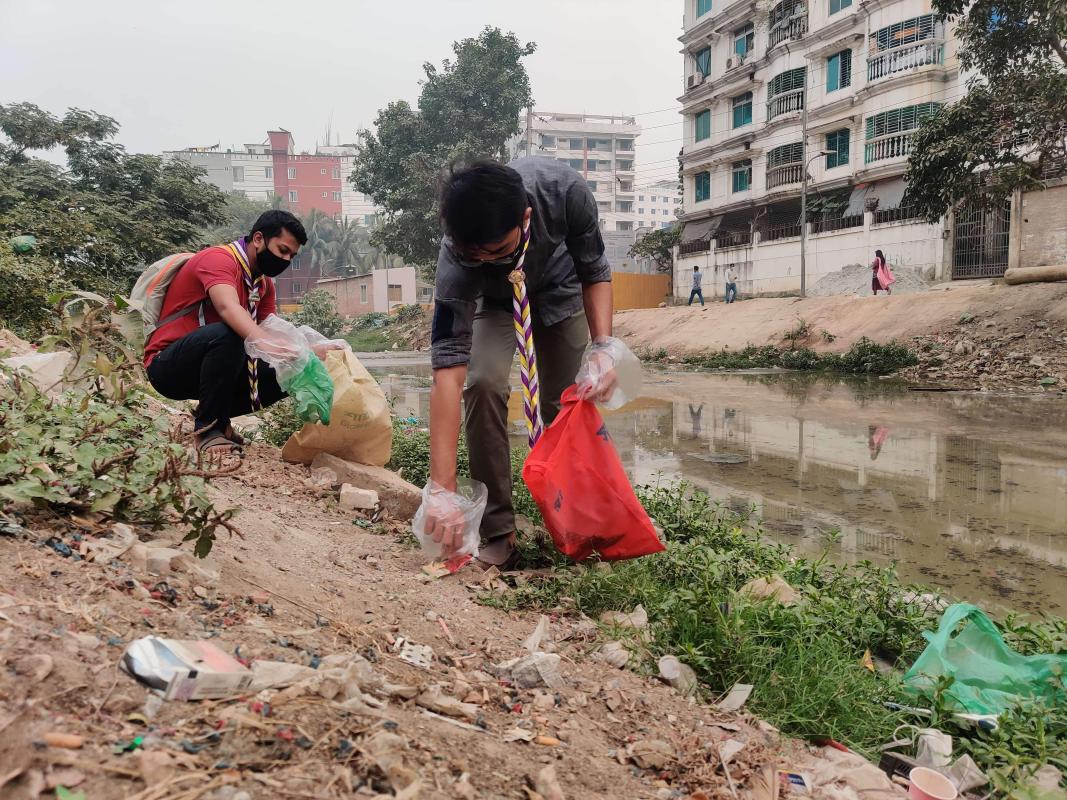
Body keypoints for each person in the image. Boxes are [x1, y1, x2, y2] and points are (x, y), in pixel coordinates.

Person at [425, 158, 617, 568]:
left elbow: (595, 270)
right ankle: (498, 530)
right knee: (482, 382)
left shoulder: (566, 193)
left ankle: (577, 527)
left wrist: (604, 347)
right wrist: (440, 488)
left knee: (567, 403)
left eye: (496, 250)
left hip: (560, 292)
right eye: (474, 254)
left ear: (525, 216)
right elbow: (447, 367)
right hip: (493, 304)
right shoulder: (457, 257)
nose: (485, 258)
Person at [144, 210, 334, 454]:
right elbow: (228, 307)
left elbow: (271, 331)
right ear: (258, 239)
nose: (285, 261)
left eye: (292, 256)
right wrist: (266, 343)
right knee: (230, 333)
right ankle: (208, 430)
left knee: (290, 368)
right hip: (167, 367)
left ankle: (221, 421)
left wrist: (307, 353)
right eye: (282, 250)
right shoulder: (218, 260)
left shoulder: (263, 285)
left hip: (211, 369)